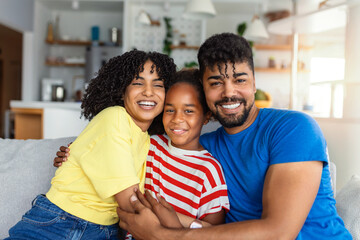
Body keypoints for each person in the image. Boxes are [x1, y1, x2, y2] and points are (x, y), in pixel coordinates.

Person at [116, 33, 352, 240]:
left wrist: (161, 235)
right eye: (216, 82)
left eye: (240, 80)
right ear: (203, 90)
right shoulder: (201, 148)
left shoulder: (294, 128)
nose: (229, 92)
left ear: (254, 83)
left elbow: (278, 233)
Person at [5, 50, 176, 240]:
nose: (148, 91)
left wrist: (199, 226)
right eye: (137, 82)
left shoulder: (146, 139)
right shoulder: (115, 118)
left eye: (158, 84)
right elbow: (132, 203)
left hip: (104, 231)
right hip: (60, 223)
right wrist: (185, 229)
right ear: (122, 90)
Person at [53, 69, 230, 238]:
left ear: (206, 116)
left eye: (189, 111)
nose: (177, 119)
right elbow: (106, 149)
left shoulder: (209, 170)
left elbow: (213, 233)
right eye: (170, 109)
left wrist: (175, 222)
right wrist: (73, 152)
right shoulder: (150, 145)